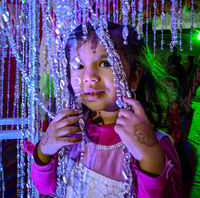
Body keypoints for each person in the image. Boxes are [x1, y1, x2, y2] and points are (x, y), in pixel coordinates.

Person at [24, 22, 182, 197]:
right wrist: (44, 150)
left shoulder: (154, 143)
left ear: (134, 78)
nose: (90, 77)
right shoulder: (71, 130)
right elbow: (47, 188)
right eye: (79, 66)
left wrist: (150, 159)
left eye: (105, 63)